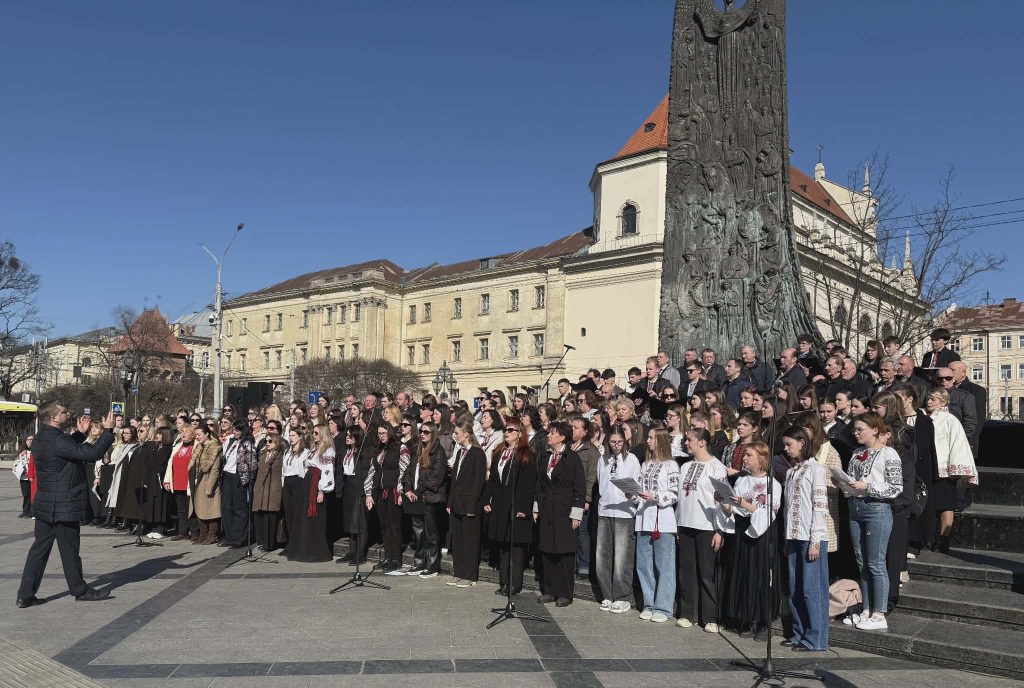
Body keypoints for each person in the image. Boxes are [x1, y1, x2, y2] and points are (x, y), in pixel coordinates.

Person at [17, 404, 115, 607]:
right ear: (54, 418)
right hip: (63, 504)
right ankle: (80, 590)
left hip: (45, 503)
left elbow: (67, 451)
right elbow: (90, 454)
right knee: (70, 550)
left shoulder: (41, 438)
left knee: (39, 549)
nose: (67, 414)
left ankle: (25, 594)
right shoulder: (57, 439)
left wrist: (79, 434)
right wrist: (108, 431)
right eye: (63, 412)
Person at [844, 413, 903, 632]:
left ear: (875, 430)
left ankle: (879, 612)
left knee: (875, 562)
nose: (856, 433)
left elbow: (896, 488)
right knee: (862, 561)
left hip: (877, 508)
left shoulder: (889, 454)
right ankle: (866, 609)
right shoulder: (858, 453)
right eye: (855, 430)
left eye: (860, 429)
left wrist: (867, 487)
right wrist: (845, 484)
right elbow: (852, 480)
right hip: (856, 507)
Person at [719, 442, 781, 639]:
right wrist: (723, 502)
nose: (744, 459)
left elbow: (769, 512)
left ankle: (762, 621)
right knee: (743, 570)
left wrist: (744, 504)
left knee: (760, 573)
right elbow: (734, 509)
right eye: (745, 455)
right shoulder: (742, 481)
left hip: (762, 532)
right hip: (742, 528)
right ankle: (744, 617)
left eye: (749, 455)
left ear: (761, 458)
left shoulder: (773, 484)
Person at [676, 428, 732, 633]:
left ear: (702, 442)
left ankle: (710, 616)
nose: (686, 443)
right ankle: (688, 613)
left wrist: (720, 530)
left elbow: (724, 499)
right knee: (687, 571)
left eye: (689, 440)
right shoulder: (686, 467)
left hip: (707, 525)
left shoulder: (716, 467)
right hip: (686, 523)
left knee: (707, 573)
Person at [781, 425, 829, 652]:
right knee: (795, 587)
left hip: (810, 536)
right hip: (793, 535)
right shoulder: (792, 471)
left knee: (812, 589)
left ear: (802, 442)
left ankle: (815, 638)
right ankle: (798, 632)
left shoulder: (815, 469)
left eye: (789, 444)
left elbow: (820, 505)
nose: (786, 448)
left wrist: (816, 539)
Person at [482, 418, 537, 596]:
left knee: (515, 547)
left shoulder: (525, 454)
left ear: (520, 434)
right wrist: (487, 499)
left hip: (517, 505)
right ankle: (504, 582)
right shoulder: (499, 452)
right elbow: (492, 480)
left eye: (511, 430)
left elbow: (528, 484)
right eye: (506, 429)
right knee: (503, 546)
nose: (507, 433)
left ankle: (515, 583)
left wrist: (524, 507)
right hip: (499, 504)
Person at [534, 421, 586, 607]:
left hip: (565, 509)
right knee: (547, 549)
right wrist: (536, 506)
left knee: (564, 552)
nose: (548, 435)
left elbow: (580, 488)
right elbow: (539, 484)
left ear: (562, 437)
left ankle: (565, 593)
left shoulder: (571, 458)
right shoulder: (545, 456)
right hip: (547, 507)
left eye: (553, 433)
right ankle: (549, 590)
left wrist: (576, 514)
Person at [633, 427, 679, 623]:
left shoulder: (671, 465)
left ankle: (664, 607)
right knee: (644, 564)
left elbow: (674, 493)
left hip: (663, 521)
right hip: (644, 517)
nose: (648, 441)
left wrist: (656, 496)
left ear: (660, 441)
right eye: (649, 437)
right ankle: (649, 603)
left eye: (652, 438)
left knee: (664, 565)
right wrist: (633, 494)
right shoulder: (646, 464)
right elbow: (640, 490)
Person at [925, 388, 978, 553]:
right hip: (928, 467)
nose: (929, 402)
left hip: (945, 470)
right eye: (928, 399)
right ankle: (929, 538)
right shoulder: (923, 418)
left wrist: (954, 467)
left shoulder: (950, 419)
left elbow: (958, 443)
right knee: (930, 504)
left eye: (933, 399)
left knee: (946, 505)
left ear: (943, 402)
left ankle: (944, 539)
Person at [596, 427, 640, 614]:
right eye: (613, 442)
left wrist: (632, 496)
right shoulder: (603, 459)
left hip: (624, 511)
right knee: (602, 555)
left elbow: (636, 484)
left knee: (622, 556)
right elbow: (600, 481)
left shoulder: (631, 459)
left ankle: (622, 595)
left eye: (619, 442)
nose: (616, 446)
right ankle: (607, 594)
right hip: (605, 509)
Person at [447, 418, 487, 588]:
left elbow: (478, 482)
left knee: (470, 541)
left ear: (466, 434)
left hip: (469, 504)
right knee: (458, 540)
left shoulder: (477, 454)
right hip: (457, 503)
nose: (455, 436)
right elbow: (454, 480)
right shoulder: (459, 452)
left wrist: (472, 506)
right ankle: (459, 572)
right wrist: (449, 502)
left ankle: (470, 575)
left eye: (457, 433)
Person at [406, 422, 448, 578]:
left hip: (430, 498)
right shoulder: (417, 450)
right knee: (418, 533)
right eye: (420, 431)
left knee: (431, 534)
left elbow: (436, 479)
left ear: (433, 434)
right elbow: (409, 471)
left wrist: (418, 490)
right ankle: (419, 563)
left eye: (426, 432)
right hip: (416, 497)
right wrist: (408, 488)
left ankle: (432, 565)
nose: (422, 434)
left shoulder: (438, 452)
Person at [364, 424, 407, 571]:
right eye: (379, 433)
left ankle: (396, 559)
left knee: (394, 525)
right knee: (384, 525)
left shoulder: (400, 448)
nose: (381, 436)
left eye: (384, 433)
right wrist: (368, 493)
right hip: (379, 491)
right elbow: (372, 471)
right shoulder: (379, 449)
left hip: (393, 491)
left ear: (390, 432)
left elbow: (404, 470)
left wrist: (401, 491)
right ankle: (388, 557)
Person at [337, 425, 370, 565]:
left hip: (358, 486)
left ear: (356, 437)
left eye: (350, 436)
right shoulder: (345, 450)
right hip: (348, 486)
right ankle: (352, 551)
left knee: (359, 521)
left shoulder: (363, 452)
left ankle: (360, 553)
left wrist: (364, 491)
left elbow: (366, 472)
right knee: (350, 520)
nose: (347, 438)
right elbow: (340, 469)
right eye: (346, 435)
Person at [189, 423, 223, 545]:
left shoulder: (214, 447)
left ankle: (212, 535)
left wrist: (210, 486)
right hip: (199, 479)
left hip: (208, 480)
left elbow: (215, 469)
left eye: (199, 434)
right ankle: (203, 534)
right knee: (199, 507)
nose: (197, 437)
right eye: (196, 434)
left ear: (207, 434)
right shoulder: (199, 447)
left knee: (211, 509)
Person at [251, 431, 284, 552]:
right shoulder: (263, 453)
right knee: (260, 514)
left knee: (271, 516)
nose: (267, 443)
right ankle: (262, 541)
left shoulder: (280, 455)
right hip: (261, 487)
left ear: (277, 442)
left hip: (273, 488)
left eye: (270, 441)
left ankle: (270, 544)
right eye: (266, 441)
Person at [14, 434, 34, 517]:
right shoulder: (21, 452)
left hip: (33, 477)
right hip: (24, 477)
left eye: (32, 439)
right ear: (25, 441)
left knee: (33, 494)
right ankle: (25, 511)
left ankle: (32, 511)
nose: (30, 441)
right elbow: (15, 464)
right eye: (28, 439)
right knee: (26, 494)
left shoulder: (37, 451)